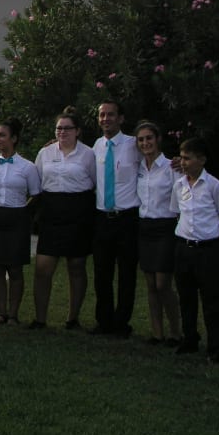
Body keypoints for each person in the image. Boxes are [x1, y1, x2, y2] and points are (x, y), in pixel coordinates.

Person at [31, 107, 97, 330]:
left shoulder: (88, 154)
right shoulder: (45, 153)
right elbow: (37, 182)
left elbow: (95, 182)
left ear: (77, 131)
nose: (63, 132)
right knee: (42, 268)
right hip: (51, 213)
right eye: (59, 128)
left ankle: (73, 318)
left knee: (76, 266)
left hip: (78, 212)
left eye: (68, 128)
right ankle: (40, 319)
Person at [171, 137, 219, 364]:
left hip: (207, 250)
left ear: (202, 160)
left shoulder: (214, 185)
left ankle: (216, 346)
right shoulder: (179, 185)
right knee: (186, 297)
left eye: (188, 158)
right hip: (184, 248)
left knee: (211, 300)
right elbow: (177, 213)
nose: (183, 162)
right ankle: (189, 338)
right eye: (182, 157)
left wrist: (216, 242)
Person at [0, 119, 41, 325]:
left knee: (15, 269)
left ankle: (13, 314)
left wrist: (23, 211)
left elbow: (36, 194)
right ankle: (1, 313)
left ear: (14, 138)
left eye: (2, 135)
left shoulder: (28, 167)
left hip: (17, 220)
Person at [91, 100, 142, 337]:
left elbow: (154, 161)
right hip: (102, 218)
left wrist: (176, 164)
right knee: (102, 273)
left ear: (120, 118)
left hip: (127, 219)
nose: (106, 119)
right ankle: (104, 321)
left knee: (126, 273)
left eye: (110, 114)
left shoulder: (134, 145)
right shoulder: (96, 146)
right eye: (102, 115)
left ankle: (122, 323)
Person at [135, 121, 182, 346]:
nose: (145, 143)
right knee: (151, 284)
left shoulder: (172, 167)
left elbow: (183, 196)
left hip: (166, 227)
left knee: (163, 283)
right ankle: (157, 333)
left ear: (158, 139)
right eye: (141, 139)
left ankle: (176, 331)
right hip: (145, 228)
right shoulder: (138, 167)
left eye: (149, 138)